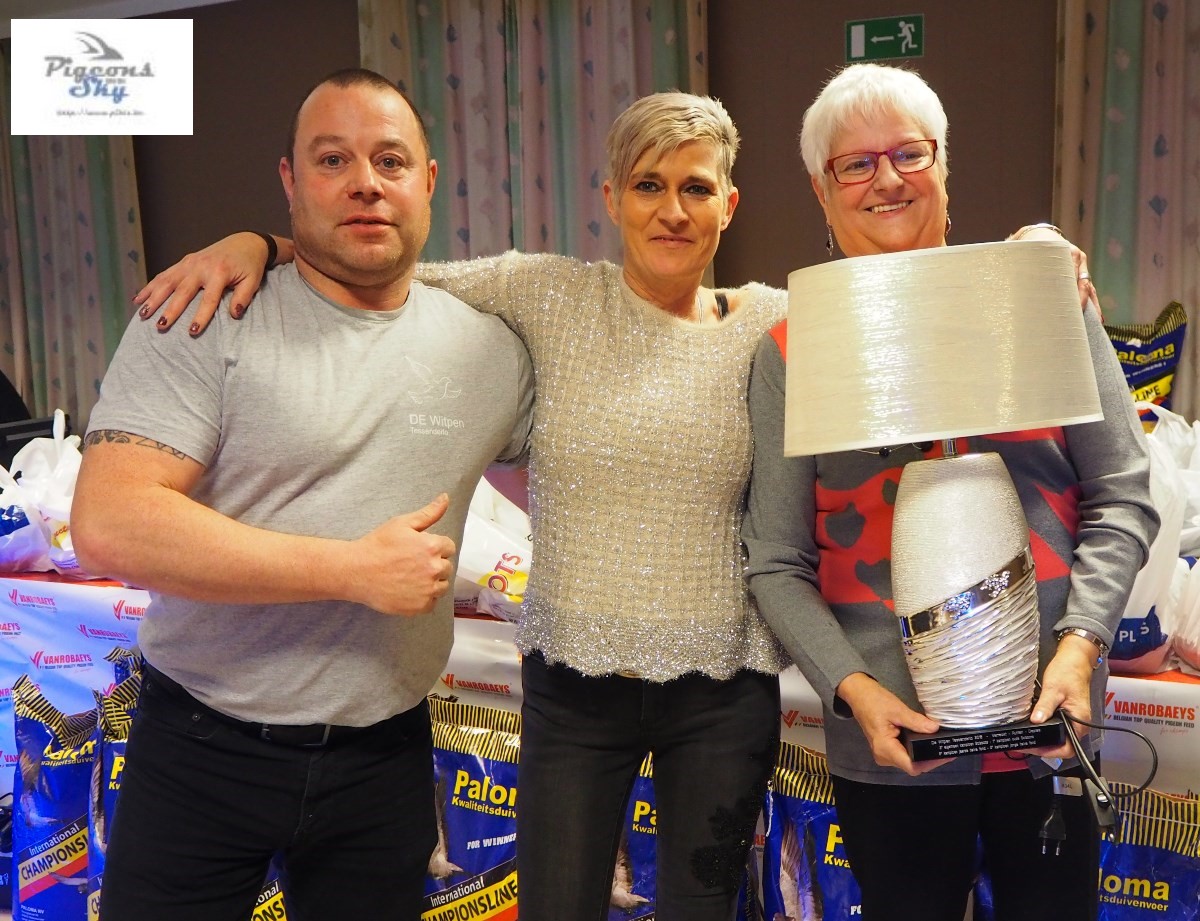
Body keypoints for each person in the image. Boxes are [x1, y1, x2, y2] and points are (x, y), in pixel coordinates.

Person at [132, 89, 1098, 921]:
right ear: (610, 198)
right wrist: (260, 242)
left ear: (729, 203)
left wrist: (1034, 247)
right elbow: (382, 261)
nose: (672, 209)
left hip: (721, 690)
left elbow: (909, 290)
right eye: (647, 185)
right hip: (573, 693)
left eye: (696, 188)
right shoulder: (547, 294)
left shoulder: (779, 320)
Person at [71, 68, 533, 921]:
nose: (365, 182)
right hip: (202, 744)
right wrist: (350, 570)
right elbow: (110, 523)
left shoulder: (489, 351)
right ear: (289, 180)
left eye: (390, 160)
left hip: (385, 758)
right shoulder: (205, 312)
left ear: (428, 180)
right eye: (332, 160)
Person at [741, 63, 1158, 921]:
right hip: (892, 741)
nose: (886, 178)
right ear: (821, 190)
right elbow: (776, 559)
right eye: (855, 164)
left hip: (1053, 721)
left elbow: (1122, 493)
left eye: (908, 153)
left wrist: (1081, 645)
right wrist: (854, 690)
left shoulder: (1043, 300)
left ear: (943, 161)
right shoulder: (793, 351)